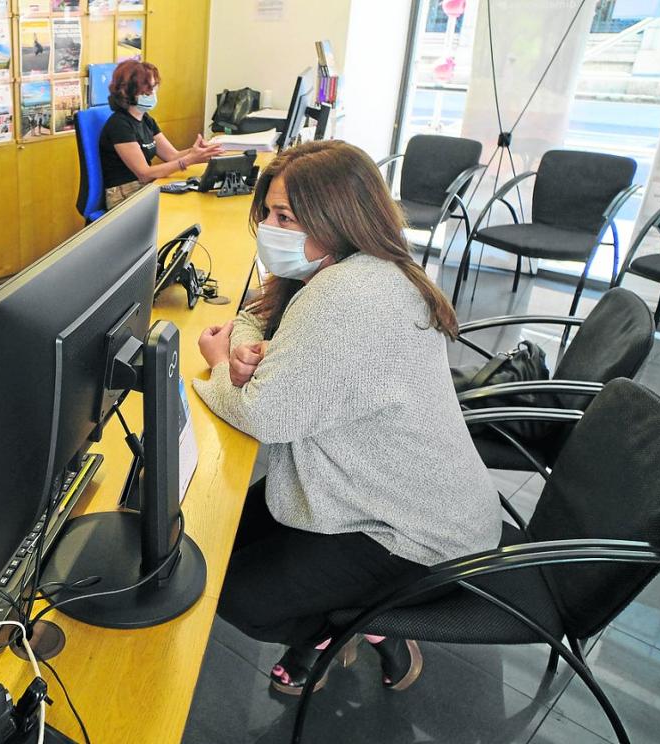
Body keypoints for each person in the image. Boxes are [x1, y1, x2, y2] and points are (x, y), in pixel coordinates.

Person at [191, 140, 500, 695]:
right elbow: (254, 316)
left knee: (235, 594)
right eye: (267, 212)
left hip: (418, 533)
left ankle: (356, 629)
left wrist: (218, 366)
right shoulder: (347, 268)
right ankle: (354, 622)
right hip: (372, 493)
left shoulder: (349, 294)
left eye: (283, 215)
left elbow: (263, 412)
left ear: (338, 217)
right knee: (215, 543)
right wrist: (243, 346)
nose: (268, 226)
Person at [98, 59, 222, 209]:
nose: (152, 94)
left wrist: (196, 152)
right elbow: (144, 173)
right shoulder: (119, 124)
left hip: (143, 186)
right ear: (127, 91)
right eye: (147, 91)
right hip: (123, 194)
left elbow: (171, 156)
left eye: (154, 89)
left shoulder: (146, 119)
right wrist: (189, 160)